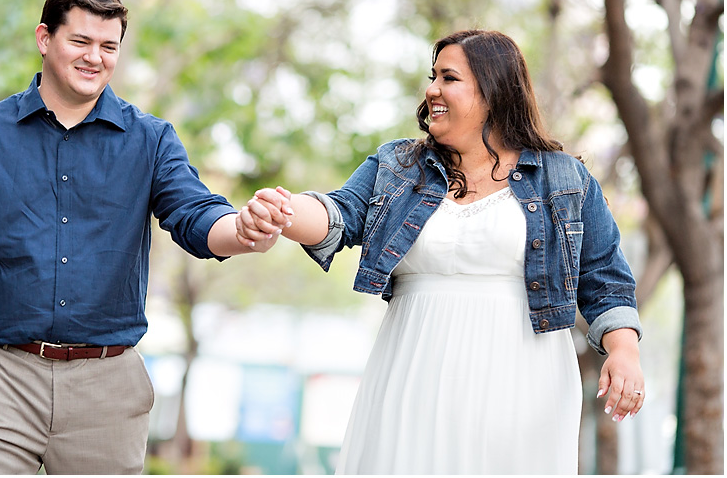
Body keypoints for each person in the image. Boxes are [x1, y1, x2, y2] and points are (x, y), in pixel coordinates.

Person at [0, 0, 278, 474]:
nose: (93, 57)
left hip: (107, 391)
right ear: (44, 38)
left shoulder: (152, 140)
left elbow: (194, 214)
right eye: (80, 41)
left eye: (108, 46)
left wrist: (243, 229)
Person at [237, 29, 644, 474]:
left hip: (523, 379)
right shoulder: (399, 165)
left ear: (493, 91)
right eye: (432, 77)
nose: (432, 89)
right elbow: (341, 211)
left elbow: (605, 278)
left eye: (448, 78)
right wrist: (283, 209)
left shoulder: (564, 178)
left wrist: (624, 352)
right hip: (412, 367)